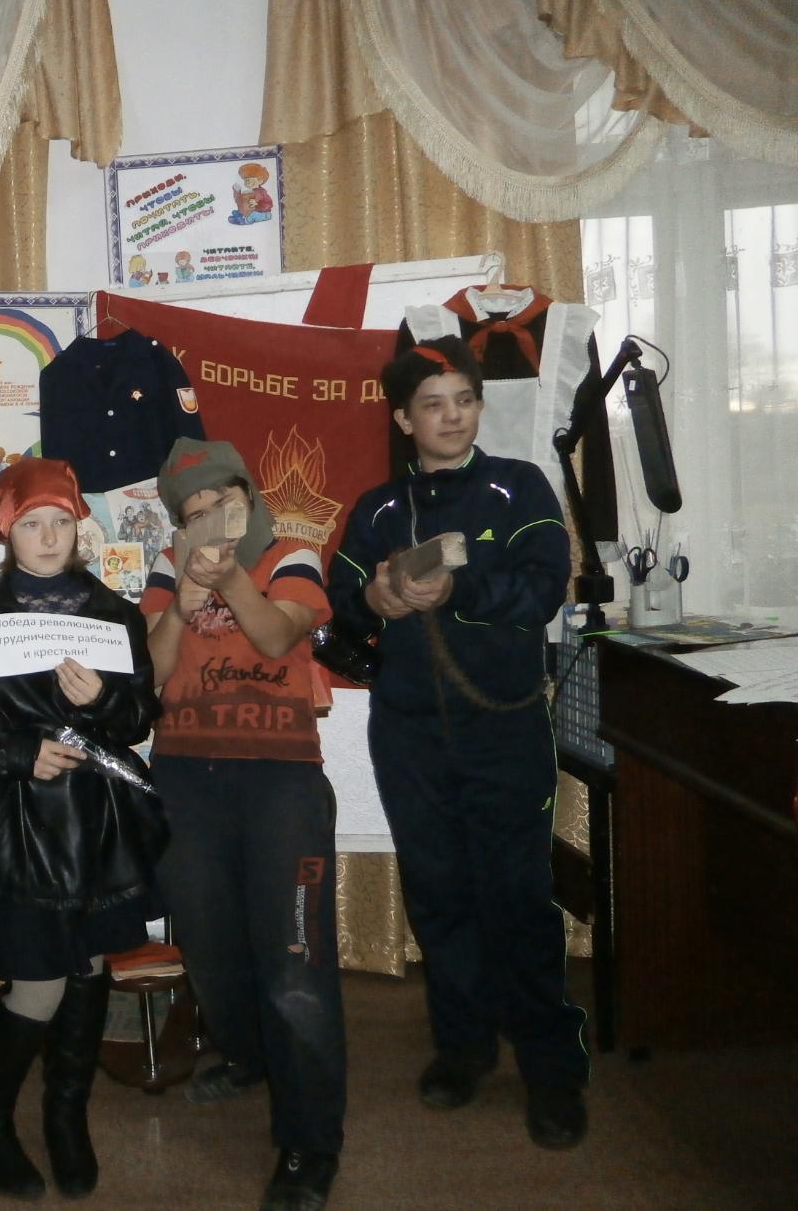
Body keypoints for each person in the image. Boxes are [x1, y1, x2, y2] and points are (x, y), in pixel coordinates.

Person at [325, 336, 588, 1151]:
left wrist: (460, 588)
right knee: (438, 894)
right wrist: (374, 601)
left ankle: (552, 1068)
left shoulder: (522, 485)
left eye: (464, 401)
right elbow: (339, 606)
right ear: (404, 419)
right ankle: (464, 1048)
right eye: (433, 405)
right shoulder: (377, 509)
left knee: (517, 897)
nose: (452, 417)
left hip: (504, 725)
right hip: (408, 733)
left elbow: (545, 587)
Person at [0, 457, 164, 1201]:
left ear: (78, 526)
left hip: (99, 826)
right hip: (20, 828)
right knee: (39, 985)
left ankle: (66, 1117)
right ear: (7, 530)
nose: (50, 536)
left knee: (88, 971)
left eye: (61, 521)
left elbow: (139, 716)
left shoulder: (115, 614)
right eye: (32, 523)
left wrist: (100, 703)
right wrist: (16, 753)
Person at [141, 438, 347, 1211]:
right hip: (185, 774)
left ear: (248, 499)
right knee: (210, 947)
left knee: (295, 961)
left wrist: (227, 576)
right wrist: (180, 606)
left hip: (280, 778)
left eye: (223, 504)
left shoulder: (290, 553)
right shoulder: (168, 567)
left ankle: (309, 1143)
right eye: (194, 514)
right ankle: (251, 1059)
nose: (212, 522)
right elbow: (151, 675)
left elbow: (277, 635)